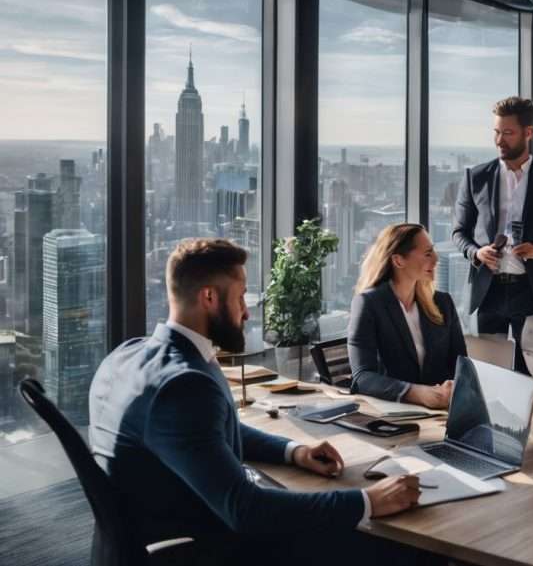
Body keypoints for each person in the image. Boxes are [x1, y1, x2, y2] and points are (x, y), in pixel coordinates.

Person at [89, 239, 420, 565]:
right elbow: (245, 510)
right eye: (240, 297)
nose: (247, 312)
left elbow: (213, 432)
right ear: (209, 297)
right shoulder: (184, 386)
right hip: (203, 547)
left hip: (144, 538)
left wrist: (293, 451)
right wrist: (367, 502)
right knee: (385, 545)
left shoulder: (130, 353)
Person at [452, 96, 533, 373]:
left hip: (532, 293)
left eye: (507, 133)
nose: (499, 140)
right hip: (487, 292)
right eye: (496, 132)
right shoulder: (476, 177)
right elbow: (459, 232)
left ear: (529, 133)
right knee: (487, 375)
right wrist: (476, 252)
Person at [348, 223, 467, 408]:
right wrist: (418, 393)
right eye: (428, 253)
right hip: (395, 414)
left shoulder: (443, 303)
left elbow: (462, 367)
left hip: (442, 414)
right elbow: (362, 378)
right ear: (398, 261)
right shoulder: (368, 304)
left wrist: (452, 389)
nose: (436, 259)